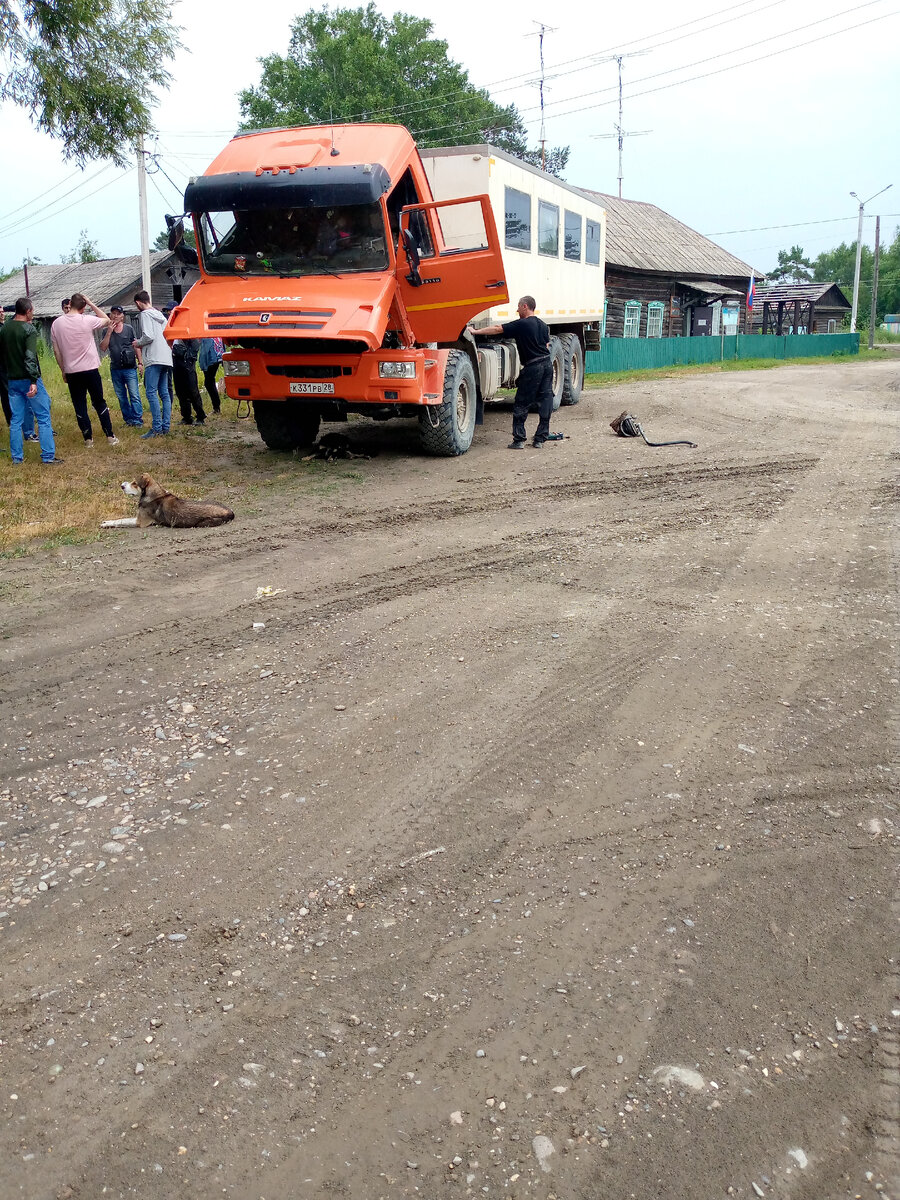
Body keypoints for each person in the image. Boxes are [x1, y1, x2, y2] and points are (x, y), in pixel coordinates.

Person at [468, 296, 554, 449]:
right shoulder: (542, 325)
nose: (517, 310)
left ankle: (519, 440)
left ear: (525, 306)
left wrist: (475, 331)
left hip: (533, 366)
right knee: (545, 399)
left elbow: (498, 329)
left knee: (522, 402)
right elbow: (546, 345)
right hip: (547, 364)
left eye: (519, 307)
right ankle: (540, 439)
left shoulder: (522, 324)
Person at [51, 292, 119, 447]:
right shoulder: (87, 320)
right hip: (90, 369)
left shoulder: (56, 324)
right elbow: (107, 319)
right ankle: (110, 436)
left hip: (72, 371)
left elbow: (56, 351)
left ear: (70, 304)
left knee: (79, 404)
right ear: (83, 307)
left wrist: (63, 370)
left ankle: (88, 439)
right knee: (99, 402)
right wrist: (91, 303)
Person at [0, 297, 62, 464]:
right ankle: (48, 456)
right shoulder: (29, 329)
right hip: (28, 379)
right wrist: (33, 380)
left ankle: (17, 458)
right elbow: (30, 357)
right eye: (32, 311)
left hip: (12, 379)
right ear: (27, 311)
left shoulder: (5, 328)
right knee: (43, 416)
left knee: (16, 420)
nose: (33, 314)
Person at [132, 290, 173, 439]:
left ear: (138, 302)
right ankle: (165, 426)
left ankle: (156, 428)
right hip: (166, 357)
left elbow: (148, 336)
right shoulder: (161, 315)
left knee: (151, 392)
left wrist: (138, 343)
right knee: (164, 393)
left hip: (153, 358)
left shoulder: (145, 314)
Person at [100, 305, 144, 426]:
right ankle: (128, 419)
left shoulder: (129, 329)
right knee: (121, 396)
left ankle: (137, 419)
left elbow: (136, 346)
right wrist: (109, 331)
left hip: (130, 367)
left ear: (122, 316)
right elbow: (103, 347)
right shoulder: (105, 331)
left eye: (118, 314)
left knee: (134, 394)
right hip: (116, 368)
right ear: (110, 315)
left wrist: (140, 363)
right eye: (113, 313)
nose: (115, 316)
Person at [171, 336, 206, 425]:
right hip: (176, 362)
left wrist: (188, 358)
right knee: (180, 391)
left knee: (192, 390)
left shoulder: (188, 333)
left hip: (187, 363)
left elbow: (195, 344)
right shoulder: (173, 333)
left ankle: (200, 416)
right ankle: (186, 417)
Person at [198, 337, 224, 413]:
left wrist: (203, 364)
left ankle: (216, 406)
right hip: (218, 354)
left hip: (211, 358)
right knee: (210, 381)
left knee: (209, 383)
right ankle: (216, 406)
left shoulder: (205, 335)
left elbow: (205, 350)